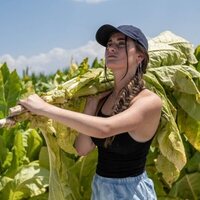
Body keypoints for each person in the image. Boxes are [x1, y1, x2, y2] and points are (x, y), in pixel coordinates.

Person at [19, 24, 162, 200]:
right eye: (109, 43)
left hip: (131, 192)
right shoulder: (104, 99)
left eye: (121, 44)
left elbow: (105, 128)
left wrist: (45, 109)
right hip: (101, 188)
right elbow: (83, 148)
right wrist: (91, 106)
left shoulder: (149, 102)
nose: (111, 48)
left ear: (140, 56)